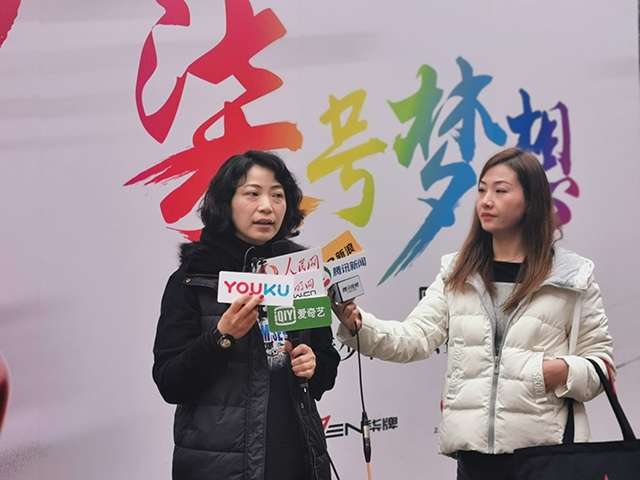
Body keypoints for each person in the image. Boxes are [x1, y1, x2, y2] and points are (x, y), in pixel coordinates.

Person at [331, 147, 614, 480]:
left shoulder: (571, 278)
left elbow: (602, 367)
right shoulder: (458, 272)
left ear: (531, 201)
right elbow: (415, 339)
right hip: (475, 461)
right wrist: (357, 323)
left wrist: (560, 371)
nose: (486, 201)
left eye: (500, 190)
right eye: (481, 190)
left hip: (546, 457)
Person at [153, 150, 340, 480]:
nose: (267, 206)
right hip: (219, 466)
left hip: (298, 461)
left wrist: (314, 366)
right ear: (225, 202)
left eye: (277, 195)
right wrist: (220, 338)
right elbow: (170, 383)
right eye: (252, 194)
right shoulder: (193, 280)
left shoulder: (300, 274)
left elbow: (325, 367)